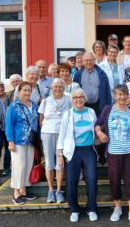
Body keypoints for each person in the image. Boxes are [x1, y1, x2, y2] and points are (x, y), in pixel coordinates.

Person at [95, 84, 130, 227]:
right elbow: (98, 124)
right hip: (113, 153)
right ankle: (118, 207)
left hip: (129, 152)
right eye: (118, 94)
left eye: (124, 94)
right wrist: (100, 133)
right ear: (114, 96)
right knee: (114, 181)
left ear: (127, 95)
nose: (121, 97)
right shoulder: (108, 109)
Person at [57, 88, 98, 223]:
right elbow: (62, 135)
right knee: (71, 180)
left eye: (81, 97)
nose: (78, 99)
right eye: (75, 97)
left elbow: (96, 131)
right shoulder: (67, 114)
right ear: (71, 100)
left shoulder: (91, 112)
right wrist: (60, 154)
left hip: (88, 150)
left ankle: (91, 208)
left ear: (85, 99)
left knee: (91, 178)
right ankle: (74, 209)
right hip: (72, 151)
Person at [38, 78, 72, 203]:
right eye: (55, 86)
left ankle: (58, 191)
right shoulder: (45, 101)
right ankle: (50, 190)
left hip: (62, 134)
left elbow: (71, 116)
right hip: (48, 133)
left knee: (60, 163)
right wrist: (45, 129)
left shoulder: (68, 100)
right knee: (49, 162)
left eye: (60, 86)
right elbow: (41, 118)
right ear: (52, 88)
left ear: (64, 88)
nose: (57, 89)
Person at [5, 82, 39, 205]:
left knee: (27, 165)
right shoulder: (14, 106)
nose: (27, 93)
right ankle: (16, 193)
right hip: (18, 141)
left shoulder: (34, 105)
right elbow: (9, 125)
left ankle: (24, 190)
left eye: (29, 90)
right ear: (18, 92)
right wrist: (11, 141)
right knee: (18, 166)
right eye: (24, 90)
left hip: (31, 141)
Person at [73, 52, 112, 117]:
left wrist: (108, 107)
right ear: (83, 61)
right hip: (83, 106)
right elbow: (74, 91)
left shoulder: (102, 74)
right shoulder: (78, 74)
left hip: (98, 106)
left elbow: (107, 91)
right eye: (86, 60)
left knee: (97, 126)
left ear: (94, 60)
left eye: (91, 60)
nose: (89, 62)